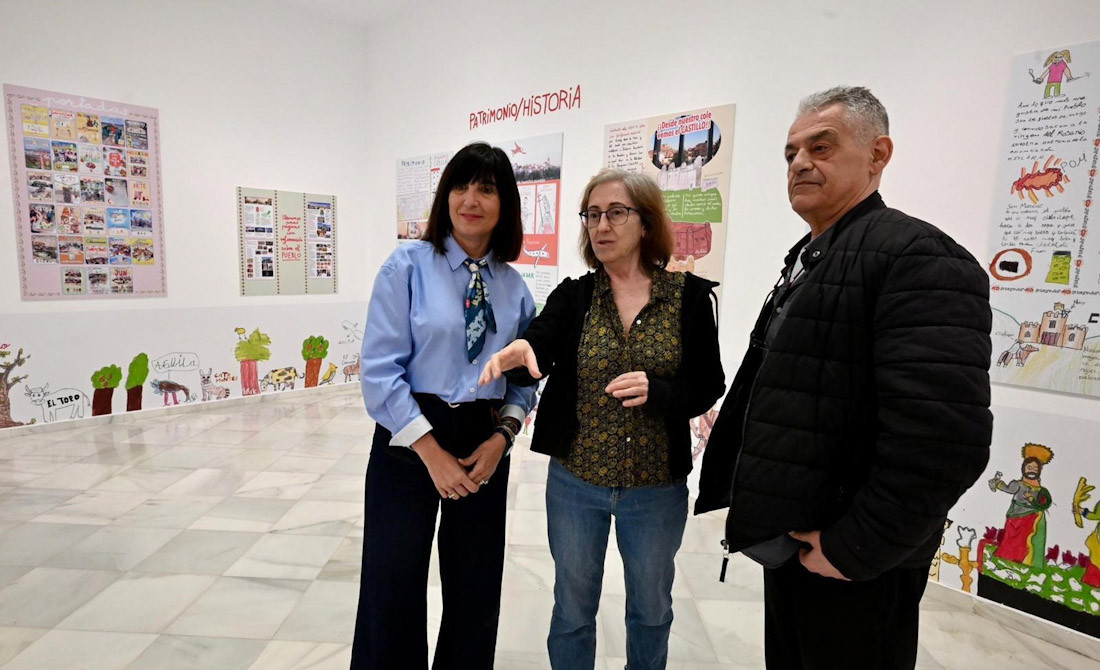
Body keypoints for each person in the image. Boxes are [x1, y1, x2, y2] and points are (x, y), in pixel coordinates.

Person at [695, 86, 993, 669]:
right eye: (790, 153)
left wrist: (854, 548)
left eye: (822, 146)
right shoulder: (815, 257)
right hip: (799, 544)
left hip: (851, 560)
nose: (801, 162)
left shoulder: (918, 257)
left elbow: (943, 440)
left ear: (878, 154)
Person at [481, 168, 725, 670]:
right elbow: (544, 337)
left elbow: (708, 385)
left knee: (651, 609)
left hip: (656, 487)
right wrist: (527, 345)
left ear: (646, 222)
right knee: (572, 608)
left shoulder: (690, 299)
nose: (602, 225)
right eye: (592, 215)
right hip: (577, 482)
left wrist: (659, 392)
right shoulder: (577, 295)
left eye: (616, 212)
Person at [351, 142, 536, 670]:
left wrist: (502, 438)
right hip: (409, 438)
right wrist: (430, 452)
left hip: (484, 440)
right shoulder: (406, 266)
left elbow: (522, 382)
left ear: (506, 205)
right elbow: (381, 370)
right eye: (460, 184)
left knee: (476, 587)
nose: (470, 199)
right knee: (393, 582)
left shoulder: (514, 288)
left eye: (486, 187)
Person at [989, 443, 1054, 567]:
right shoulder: (1018, 484)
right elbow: (1008, 489)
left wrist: (1035, 501)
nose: (1032, 471)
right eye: (1029, 467)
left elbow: (1045, 502)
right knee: (1012, 538)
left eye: (1035, 469)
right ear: (1024, 468)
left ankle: (1025, 560)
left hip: (1032, 518)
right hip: (1016, 516)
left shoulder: (1040, 490)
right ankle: (1008, 556)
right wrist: (998, 483)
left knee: (1027, 540)